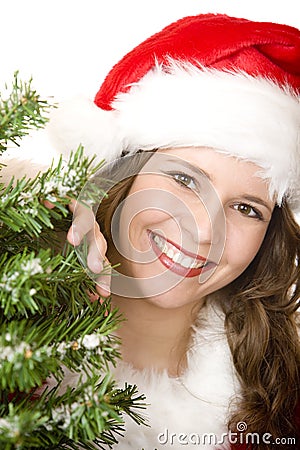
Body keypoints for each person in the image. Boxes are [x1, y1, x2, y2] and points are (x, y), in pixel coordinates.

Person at [50, 13, 300, 450]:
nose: (205, 231)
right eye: (184, 180)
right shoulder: (14, 336)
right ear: (122, 174)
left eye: (246, 208)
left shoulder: (287, 403)